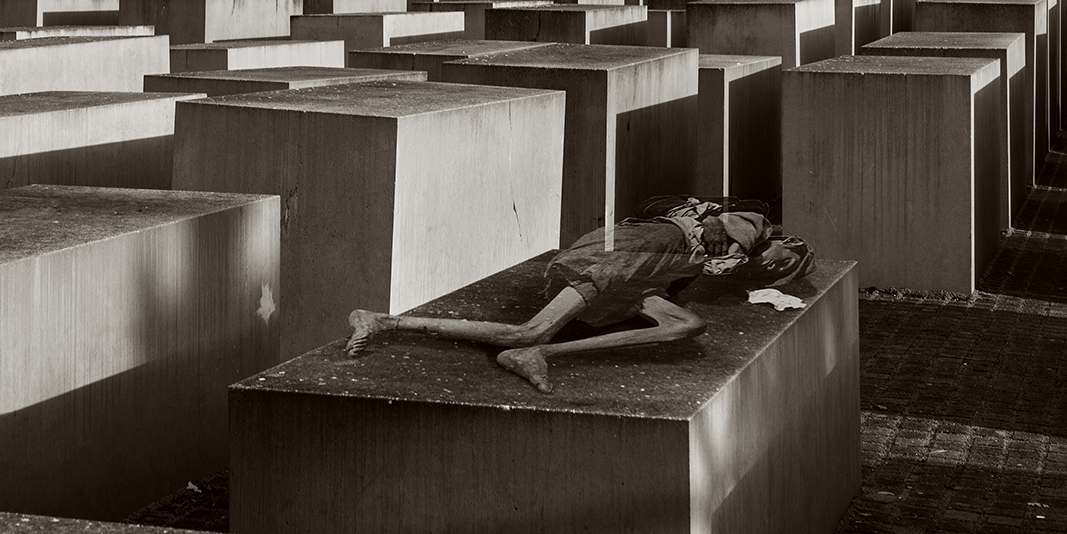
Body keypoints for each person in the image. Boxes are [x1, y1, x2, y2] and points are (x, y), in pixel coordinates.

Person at [346, 196, 815, 393]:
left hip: (644, 272)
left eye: (784, 275)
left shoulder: (735, 258)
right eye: (786, 261)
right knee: (528, 331)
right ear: (786, 242)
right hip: (628, 257)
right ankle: (385, 321)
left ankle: (543, 354)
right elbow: (720, 229)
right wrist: (731, 251)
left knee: (688, 325)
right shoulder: (756, 229)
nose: (777, 268)